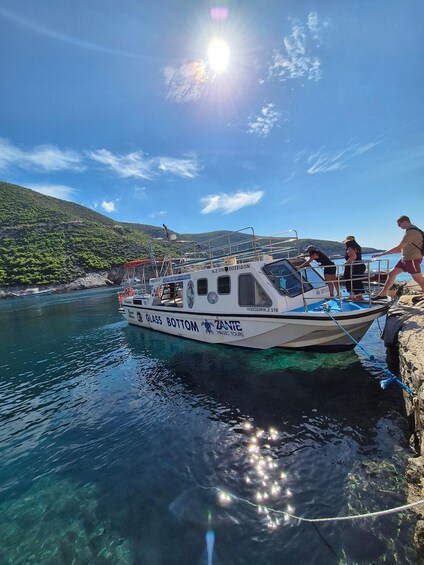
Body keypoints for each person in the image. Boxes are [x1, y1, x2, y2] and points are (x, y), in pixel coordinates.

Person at [371, 215, 424, 299]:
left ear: (405, 222)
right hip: (405, 259)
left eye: (399, 224)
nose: (399, 227)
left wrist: (382, 254)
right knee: (391, 274)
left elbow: (399, 248)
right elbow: (402, 249)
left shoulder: (411, 232)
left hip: (412, 259)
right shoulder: (409, 231)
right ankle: (383, 294)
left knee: (419, 279)